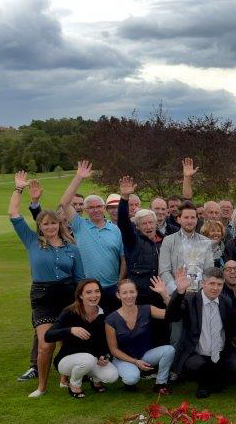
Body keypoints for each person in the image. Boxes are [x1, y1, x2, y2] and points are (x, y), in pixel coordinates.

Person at [10, 170, 85, 396]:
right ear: (40, 226)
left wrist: (84, 300)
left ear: (59, 225)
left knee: (66, 341)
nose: (50, 227)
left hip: (67, 294)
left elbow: (79, 277)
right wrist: (19, 189)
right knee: (46, 345)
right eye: (45, 224)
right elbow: (14, 213)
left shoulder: (72, 248)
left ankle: (63, 378)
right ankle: (41, 386)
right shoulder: (32, 241)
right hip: (43, 296)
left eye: (53, 223)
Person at [164, 266, 236, 398]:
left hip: (220, 352)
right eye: (212, 283)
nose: (215, 288)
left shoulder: (225, 301)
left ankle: (215, 376)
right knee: (197, 366)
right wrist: (179, 292)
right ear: (203, 283)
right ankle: (203, 382)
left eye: (219, 284)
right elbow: (172, 316)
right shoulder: (190, 299)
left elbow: (235, 324)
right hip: (196, 353)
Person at [58, 161, 126, 311]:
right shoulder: (80, 225)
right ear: (86, 210)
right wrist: (79, 177)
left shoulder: (115, 230)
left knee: (112, 325)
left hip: (112, 288)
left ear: (104, 208)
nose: (96, 210)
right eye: (91, 207)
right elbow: (64, 203)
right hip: (87, 290)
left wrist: (120, 283)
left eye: (99, 207)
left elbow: (123, 259)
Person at [44, 279, 119, 398]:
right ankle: (74, 384)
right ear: (80, 295)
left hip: (91, 359)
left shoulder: (104, 314)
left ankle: (94, 379)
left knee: (112, 376)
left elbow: (104, 341)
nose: (94, 296)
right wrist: (71, 330)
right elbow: (48, 336)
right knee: (87, 360)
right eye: (88, 292)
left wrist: (104, 355)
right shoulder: (69, 312)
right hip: (67, 360)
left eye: (97, 291)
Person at [106, 278, 176, 394]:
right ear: (118, 295)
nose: (129, 296)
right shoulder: (111, 320)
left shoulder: (147, 309)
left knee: (169, 350)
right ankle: (128, 376)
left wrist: (164, 294)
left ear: (137, 293)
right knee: (131, 379)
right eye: (124, 293)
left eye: (132, 292)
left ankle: (160, 384)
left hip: (144, 355)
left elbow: (172, 315)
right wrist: (135, 362)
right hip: (123, 359)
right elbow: (113, 350)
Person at [117, 177, 162, 305]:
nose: (148, 226)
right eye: (144, 224)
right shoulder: (132, 240)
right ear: (137, 226)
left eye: (150, 222)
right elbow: (123, 223)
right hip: (139, 297)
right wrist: (125, 198)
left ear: (156, 223)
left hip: (160, 294)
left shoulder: (165, 240)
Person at [158, 201, 212, 296]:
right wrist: (177, 290)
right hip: (175, 293)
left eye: (192, 218)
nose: (189, 221)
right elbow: (164, 270)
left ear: (197, 219)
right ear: (179, 219)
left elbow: (209, 270)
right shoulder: (168, 241)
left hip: (200, 293)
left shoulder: (206, 242)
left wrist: (201, 291)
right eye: (186, 217)